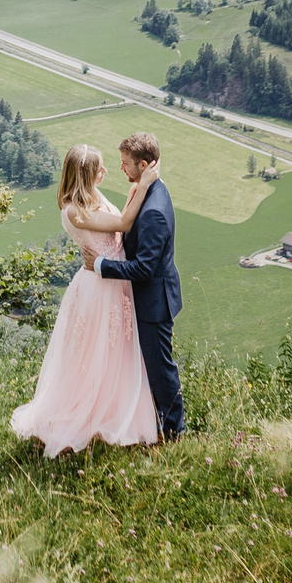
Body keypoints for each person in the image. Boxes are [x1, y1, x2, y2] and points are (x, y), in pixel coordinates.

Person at [8, 144, 161, 455]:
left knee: (116, 353)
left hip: (114, 281)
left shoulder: (92, 196)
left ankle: (111, 412)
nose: (105, 173)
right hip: (97, 288)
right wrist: (143, 184)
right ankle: (85, 418)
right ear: (86, 175)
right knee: (92, 356)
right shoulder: (73, 211)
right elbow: (123, 224)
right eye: (99, 169)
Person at [93, 132, 184, 439]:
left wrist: (100, 265)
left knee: (160, 370)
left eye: (125, 164)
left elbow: (144, 268)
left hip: (154, 301)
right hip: (150, 297)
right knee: (152, 367)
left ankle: (174, 433)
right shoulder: (150, 188)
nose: (121, 169)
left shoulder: (154, 211)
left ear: (144, 165)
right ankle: (154, 424)